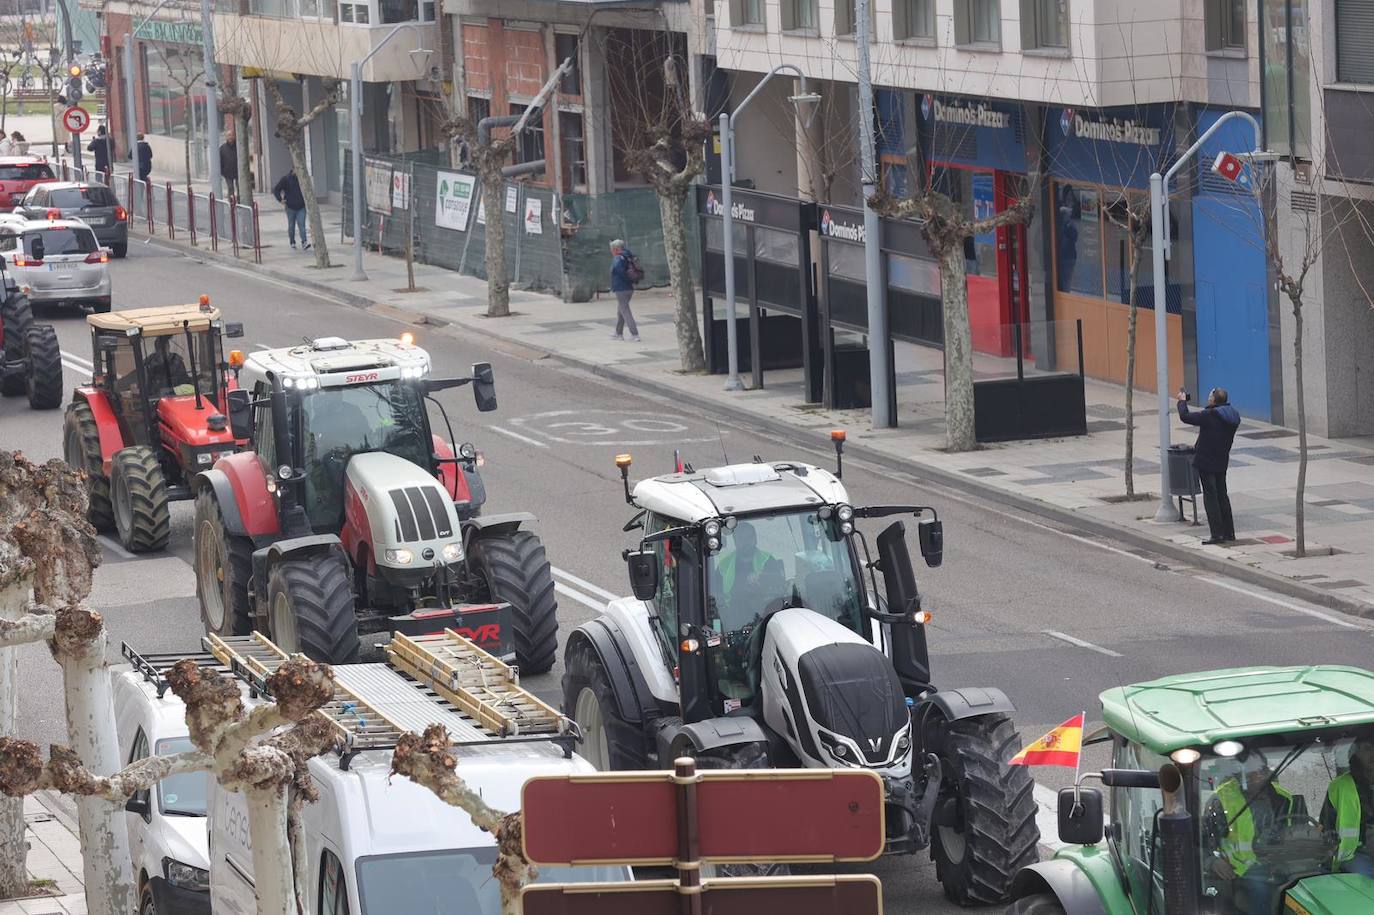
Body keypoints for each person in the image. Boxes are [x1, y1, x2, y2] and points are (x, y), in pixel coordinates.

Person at [1203, 748, 1306, 915]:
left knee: (1316, 885)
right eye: (1248, 773)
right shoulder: (1220, 800)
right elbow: (1201, 842)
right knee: (1263, 893)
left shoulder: (1285, 798)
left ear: (1267, 772)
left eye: (1259, 772)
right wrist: (1212, 861)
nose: (1255, 777)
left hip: (1284, 867)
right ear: (1237, 775)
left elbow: (1302, 832)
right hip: (1242, 872)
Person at [1177, 386, 1241, 545]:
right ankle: (1229, 532)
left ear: (1213, 400)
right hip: (1221, 459)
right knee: (1222, 495)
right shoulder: (1233, 416)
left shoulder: (1210, 414)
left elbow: (1185, 417)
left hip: (1206, 461)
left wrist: (1182, 402)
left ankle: (1216, 534)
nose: (1208, 397)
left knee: (1210, 497)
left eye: (1210, 395)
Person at [1322, 735, 1374, 878]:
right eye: (1368, 749)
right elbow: (1326, 825)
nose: (1373, 753)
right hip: (1353, 854)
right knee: (1367, 880)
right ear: (1355, 753)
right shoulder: (1340, 786)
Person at [609, 239, 639, 342]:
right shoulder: (628, 256)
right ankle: (618, 333)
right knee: (621, 310)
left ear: (616, 249)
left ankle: (634, 334)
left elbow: (618, 271)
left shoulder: (618, 258)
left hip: (621, 288)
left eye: (612, 249)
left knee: (625, 311)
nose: (611, 251)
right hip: (629, 288)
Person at [272, 168, 309, 251]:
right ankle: (292, 242)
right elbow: (276, 189)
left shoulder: (302, 178)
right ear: (293, 169)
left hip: (301, 206)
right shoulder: (286, 179)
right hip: (290, 207)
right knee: (291, 226)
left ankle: (304, 242)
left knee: (302, 225)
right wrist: (280, 199)